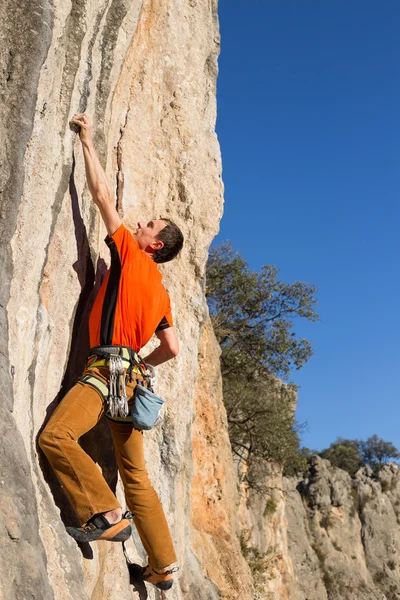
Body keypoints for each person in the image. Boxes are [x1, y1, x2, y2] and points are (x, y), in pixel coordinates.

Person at [39, 113, 183, 591]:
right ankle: (162, 565)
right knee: (135, 472)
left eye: (149, 225)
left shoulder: (131, 255)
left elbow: (100, 197)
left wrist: (88, 140)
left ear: (154, 244)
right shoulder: (160, 292)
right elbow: (172, 347)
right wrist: (141, 362)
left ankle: (103, 512)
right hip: (132, 380)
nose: (140, 222)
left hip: (104, 372)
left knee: (56, 437)